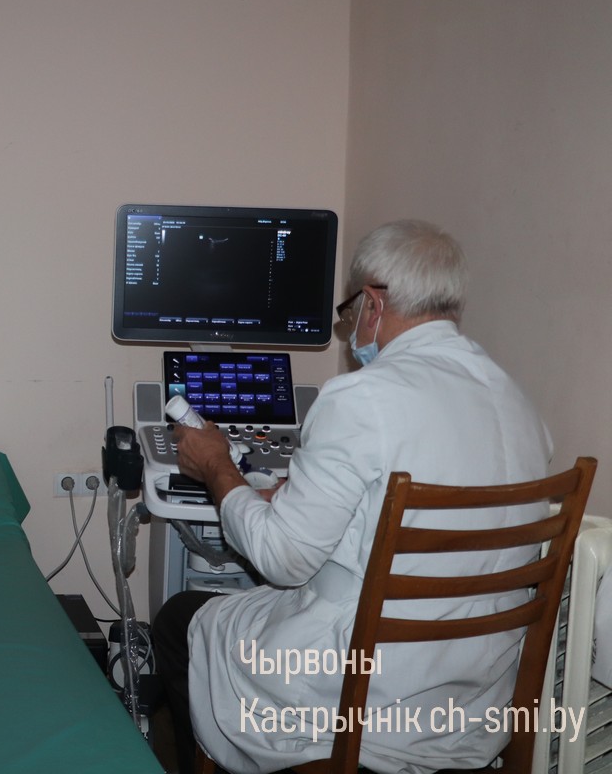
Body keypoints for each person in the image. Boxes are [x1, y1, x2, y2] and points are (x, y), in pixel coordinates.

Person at [154, 219, 553, 774]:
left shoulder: (360, 398)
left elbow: (282, 560)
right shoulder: (517, 403)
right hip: (473, 699)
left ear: (373, 303)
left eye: (351, 312)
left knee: (182, 621)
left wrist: (218, 467)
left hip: (362, 689)